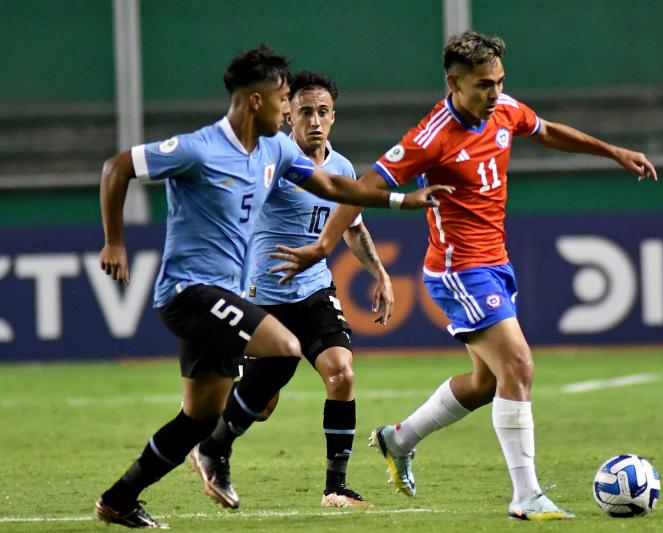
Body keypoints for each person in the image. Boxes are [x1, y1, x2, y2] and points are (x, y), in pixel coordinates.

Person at [269, 31, 657, 521]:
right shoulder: (430, 137)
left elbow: (546, 130)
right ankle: (526, 495)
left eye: (498, 82)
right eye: (482, 85)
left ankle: (398, 439)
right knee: (519, 364)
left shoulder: (503, 109)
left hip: (496, 261)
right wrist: (325, 246)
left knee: (487, 383)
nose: (494, 93)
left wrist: (613, 152)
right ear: (453, 83)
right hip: (458, 269)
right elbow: (364, 186)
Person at [93, 44, 449, 529]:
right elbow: (117, 167)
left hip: (232, 298)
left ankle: (120, 499)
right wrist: (114, 241)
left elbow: (333, 188)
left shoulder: (275, 150)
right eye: (286, 101)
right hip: (190, 291)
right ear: (257, 101)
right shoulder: (199, 148)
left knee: (199, 417)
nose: (291, 112)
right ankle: (223, 444)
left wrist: (403, 201)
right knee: (284, 348)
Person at [189, 70, 392, 510]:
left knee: (342, 374)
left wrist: (379, 272)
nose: (314, 121)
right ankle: (213, 444)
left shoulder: (339, 168)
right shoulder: (269, 164)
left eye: (322, 112)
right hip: (263, 300)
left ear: (334, 117)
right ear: (287, 117)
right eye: (305, 112)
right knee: (262, 406)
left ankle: (336, 487)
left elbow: (352, 229)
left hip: (315, 293)